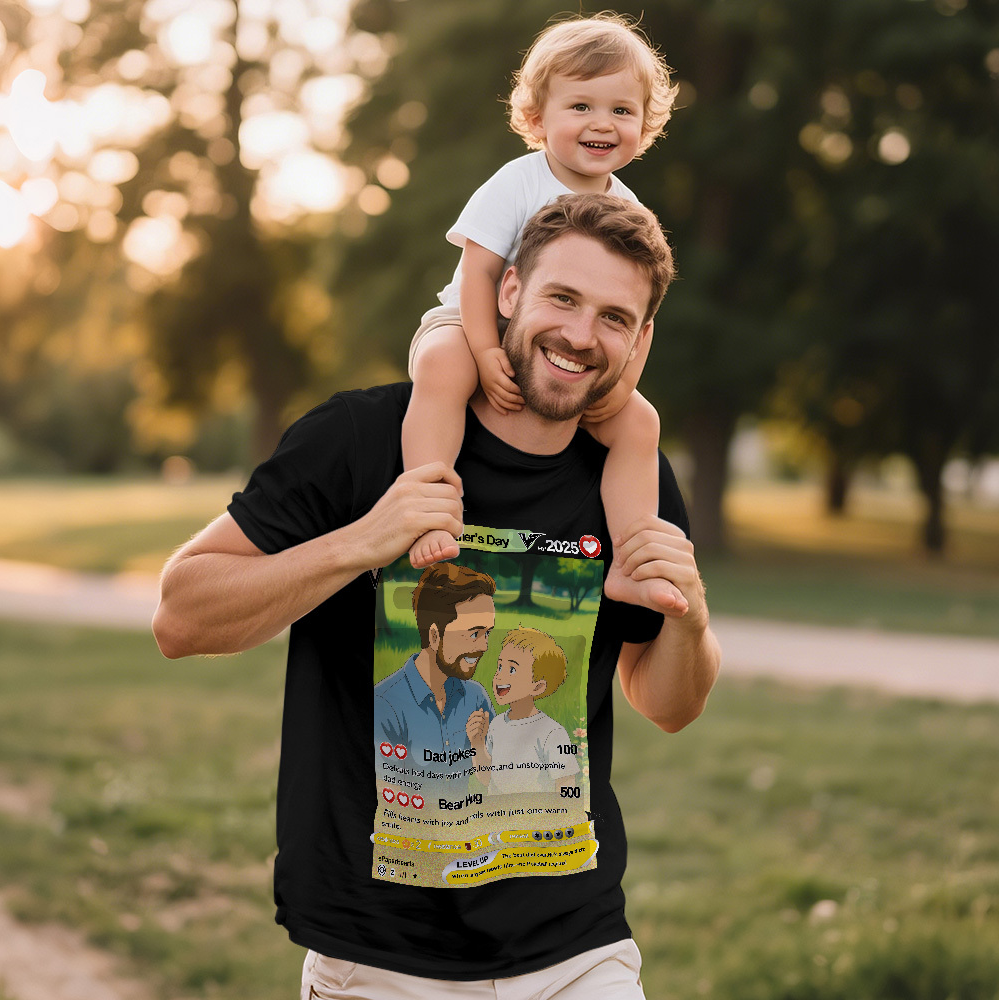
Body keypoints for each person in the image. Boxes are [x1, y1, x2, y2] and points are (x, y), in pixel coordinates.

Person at [152, 193, 721, 999]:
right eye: (563, 298)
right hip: (378, 955)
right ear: (510, 291)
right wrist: (363, 541)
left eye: (615, 317)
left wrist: (688, 619)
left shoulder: (631, 482)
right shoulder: (359, 439)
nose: (581, 336)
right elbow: (180, 615)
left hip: (574, 947)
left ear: (642, 339)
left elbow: (668, 703)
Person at [403, 12, 679, 572]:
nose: (601, 123)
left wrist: (622, 382)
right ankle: (427, 510)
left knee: (640, 423)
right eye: (581, 106)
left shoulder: (631, 213)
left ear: (644, 127)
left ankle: (634, 560)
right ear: (537, 116)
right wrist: (485, 352)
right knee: (442, 368)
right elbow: (480, 275)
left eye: (621, 111)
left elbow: (641, 315)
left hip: (567, 351)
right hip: (471, 321)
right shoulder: (517, 182)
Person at [374, 562, 496, 783]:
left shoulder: (477, 697)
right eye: (474, 634)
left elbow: (495, 780)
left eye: (487, 633)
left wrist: (478, 746)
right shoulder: (385, 704)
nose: (483, 646)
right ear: (434, 636)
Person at [472, 627, 580, 796]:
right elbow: (486, 778)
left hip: (536, 818)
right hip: (498, 818)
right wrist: (477, 743)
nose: (499, 676)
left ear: (538, 686)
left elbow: (566, 784)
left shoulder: (552, 732)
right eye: (500, 666)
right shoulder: (496, 725)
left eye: (512, 669)